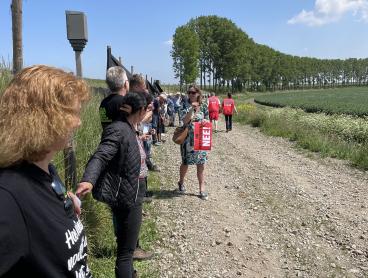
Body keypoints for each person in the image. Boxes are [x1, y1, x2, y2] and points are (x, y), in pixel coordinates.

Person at [0, 65, 92, 277]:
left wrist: (60, 204)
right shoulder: (8, 198)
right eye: (73, 114)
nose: (78, 123)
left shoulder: (46, 170)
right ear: (43, 119)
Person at [76, 92, 151, 278]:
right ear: (140, 110)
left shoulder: (129, 128)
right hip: (128, 196)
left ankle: (130, 272)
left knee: (125, 243)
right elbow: (101, 155)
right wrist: (88, 179)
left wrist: (138, 141)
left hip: (131, 192)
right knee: (126, 252)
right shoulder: (119, 129)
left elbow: (125, 151)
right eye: (147, 110)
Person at [177, 85, 209, 200]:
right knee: (185, 162)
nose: (191, 94)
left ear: (198, 94)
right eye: (189, 92)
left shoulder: (204, 106)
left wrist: (205, 121)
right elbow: (184, 121)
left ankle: (202, 188)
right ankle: (181, 182)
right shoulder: (183, 105)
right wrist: (191, 109)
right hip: (187, 139)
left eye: (193, 92)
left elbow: (208, 119)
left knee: (201, 163)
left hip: (200, 137)